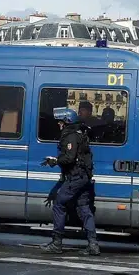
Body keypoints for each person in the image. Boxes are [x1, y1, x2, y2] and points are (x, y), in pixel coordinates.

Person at [42, 101, 98, 255]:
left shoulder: (70, 136)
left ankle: (57, 242)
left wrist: (55, 161)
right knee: (84, 208)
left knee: (59, 204)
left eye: (60, 122)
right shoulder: (80, 133)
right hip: (84, 176)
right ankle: (93, 244)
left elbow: (69, 158)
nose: (58, 125)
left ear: (67, 121)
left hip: (76, 177)